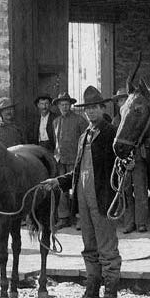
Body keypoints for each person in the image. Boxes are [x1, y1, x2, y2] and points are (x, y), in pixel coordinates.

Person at [41, 86, 121, 298]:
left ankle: (111, 297)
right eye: (87, 109)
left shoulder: (110, 133)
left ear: (102, 108)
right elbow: (77, 170)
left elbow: (122, 161)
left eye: (95, 108)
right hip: (83, 201)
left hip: (103, 198)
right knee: (89, 247)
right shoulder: (84, 135)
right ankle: (92, 293)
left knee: (107, 249)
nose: (91, 113)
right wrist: (58, 181)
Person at [120, 89, 150, 235]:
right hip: (123, 162)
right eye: (119, 101)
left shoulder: (137, 118)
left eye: (123, 99)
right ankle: (128, 223)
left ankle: (141, 223)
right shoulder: (117, 121)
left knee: (140, 191)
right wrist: (125, 160)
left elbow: (147, 138)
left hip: (139, 159)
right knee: (125, 193)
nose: (121, 102)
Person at [52, 91, 83, 228]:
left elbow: (85, 140)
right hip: (60, 159)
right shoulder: (56, 122)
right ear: (58, 106)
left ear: (70, 105)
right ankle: (64, 217)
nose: (64, 107)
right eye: (62, 105)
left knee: (78, 190)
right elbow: (56, 141)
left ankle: (81, 218)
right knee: (61, 189)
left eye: (67, 104)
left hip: (75, 159)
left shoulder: (80, 120)